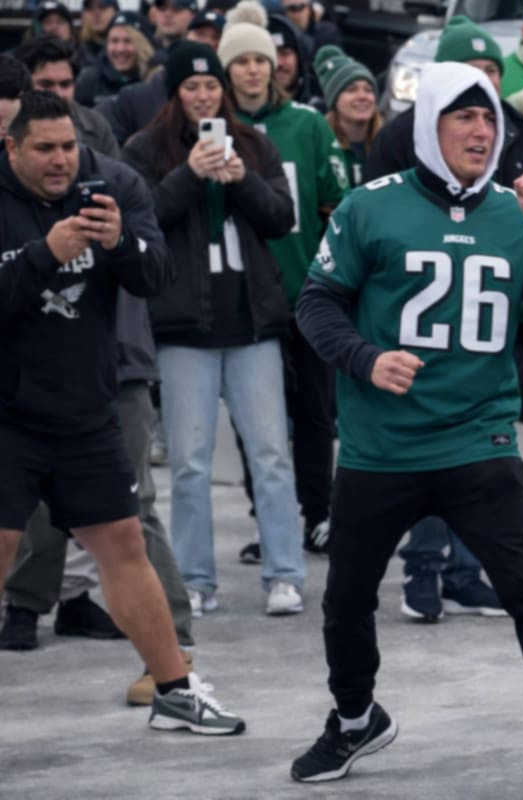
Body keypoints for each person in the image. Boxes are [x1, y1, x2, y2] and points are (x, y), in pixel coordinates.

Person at [289, 62, 523, 797]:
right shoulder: (370, 206)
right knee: (346, 601)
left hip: (478, 438)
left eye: (489, 119)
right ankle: (357, 719)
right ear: (429, 125)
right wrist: (365, 359)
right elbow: (316, 303)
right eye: (463, 118)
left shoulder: (514, 210)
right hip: (381, 445)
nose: (481, 132)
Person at [0, 89, 243, 735]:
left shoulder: (113, 184)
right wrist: (42, 254)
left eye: (68, 147)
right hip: (6, 413)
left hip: (84, 408)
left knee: (124, 545)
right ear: (12, 147)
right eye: (44, 149)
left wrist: (119, 246)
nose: (60, 161)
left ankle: (174, 690)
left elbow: (154, 276)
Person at [363, 18, 523, 619]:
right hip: (419, 330)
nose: (483, 98)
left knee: (482, 461)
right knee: (428, 462)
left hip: (489, 319)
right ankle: (423, 572)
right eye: (469, 80)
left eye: (493, 77)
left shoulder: (518, 132)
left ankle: (469, 574)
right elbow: (381, 229)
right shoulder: (400, 139)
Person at [120, 41, 306, 618]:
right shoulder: (146, 148)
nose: (204, 96)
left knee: (272, 453)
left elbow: (282, 217)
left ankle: (284, 574)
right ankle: (196, 580)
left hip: (252, 323)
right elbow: (138, 218)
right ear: (173, 93)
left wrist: (242, 178)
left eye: (211, 86)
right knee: (190, 461)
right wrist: (187, 176)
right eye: (191, 87)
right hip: (184, 328)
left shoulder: (253, 143)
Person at [215, 0, 344, 560]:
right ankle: (269, 519)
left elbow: (333, 207)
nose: (252, 70)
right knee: (255, 421)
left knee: (316, 413)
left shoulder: (308, 125)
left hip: (306, 291)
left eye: (260, 60)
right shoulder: (215, 129)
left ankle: (319, 514)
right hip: (245, 294)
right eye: (240, 61)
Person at [15, 36, 119, 160]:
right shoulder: (6, 124)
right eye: (46, 84)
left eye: (65, 84)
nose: (57, 93)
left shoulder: (96, 126)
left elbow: (116, 176)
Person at [316, 44, 379, 187]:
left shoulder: (387, 144)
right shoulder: (321, 145)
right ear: (334, 100)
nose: (362, 96)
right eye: (351, 90)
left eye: (368, 90)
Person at [76, 11, 158, 108]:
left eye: (128, 41)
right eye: (114, 41)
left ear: (143, 45)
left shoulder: (157, 80)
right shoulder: (90, 81)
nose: (120, 49)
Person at [78, 0, 119, 68]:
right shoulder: (76, 55)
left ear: (116, 12)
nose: (96, 13)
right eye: (90, 9)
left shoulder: (131, 48)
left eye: (102, 7)